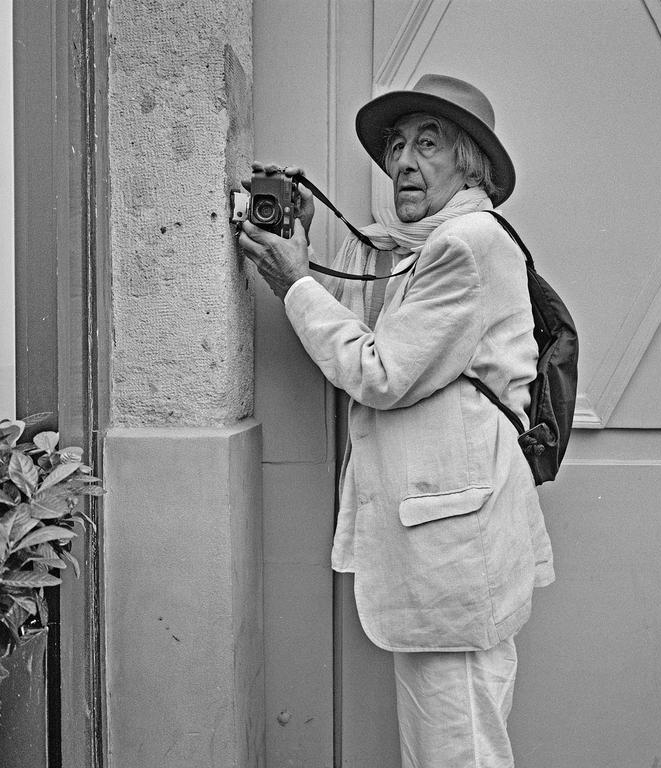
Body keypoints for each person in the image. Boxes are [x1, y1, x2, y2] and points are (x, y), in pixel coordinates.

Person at [238, 74, 555, 768]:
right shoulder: (426, 246)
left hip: (454, 554)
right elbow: (386, 334)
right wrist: (303, 253)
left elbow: (381, 373)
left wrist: (296, 283)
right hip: (450, 548)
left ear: (469, 161)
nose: (402, 161)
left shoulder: (463, 244)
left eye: (427, 143)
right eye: (397, 145)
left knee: (458, 753)